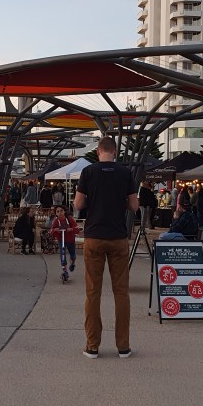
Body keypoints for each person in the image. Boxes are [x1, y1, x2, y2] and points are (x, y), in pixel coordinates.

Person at [73, 136, 138, 359]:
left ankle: (92, 346)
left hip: (94, 237)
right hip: (118, 237)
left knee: (93, 292)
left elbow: (78, 204)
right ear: (115, 152)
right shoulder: (125, 173)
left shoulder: (88, 172)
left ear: (99, 151)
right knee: (121, 292)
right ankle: (123, 347)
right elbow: (134, 205)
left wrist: (93, 200)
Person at [50, 206, 80, 283]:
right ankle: (65, 270)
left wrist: (71, 229)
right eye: (58, 211)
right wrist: (55, 230)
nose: (60, 213)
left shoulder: (69, 219)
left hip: (70, 240)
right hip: (61, 240)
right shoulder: (56, 221)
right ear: (56, 213)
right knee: (62, 254)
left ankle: (72, 263)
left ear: (64, 211)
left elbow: (77, 228)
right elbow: (51, 231)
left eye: (61, 211)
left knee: (73, 255)